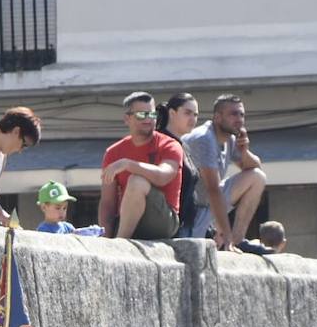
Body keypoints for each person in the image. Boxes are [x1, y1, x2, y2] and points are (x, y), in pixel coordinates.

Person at [181, 95, 266, 249]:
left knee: (257, 177)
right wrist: (226, 235)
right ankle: (228, 242)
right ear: (218, 117)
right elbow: (213, 190)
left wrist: (244, 151)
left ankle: (238, 241)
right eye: (233, 114)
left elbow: (255, 168)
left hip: (209, 204)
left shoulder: (230, 138)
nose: (239, 119)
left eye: (242, 115)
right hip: (192, 212)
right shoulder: (204, 139)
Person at [98, 92, 184, 241]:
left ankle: (121, 243)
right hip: (128, 220)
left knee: (137, 181)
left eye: (152, 114)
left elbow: (162, 177)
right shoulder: (113, 153)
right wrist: (105, 236)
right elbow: (107, 203)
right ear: (127, 118)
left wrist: (127, 164)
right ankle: (116, 244)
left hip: (162, 221)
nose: (148, 119)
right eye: (141, 114)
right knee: (133, 183)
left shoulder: (170, 145)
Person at [158, 92, 200, 237]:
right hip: (169, 226)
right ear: (172, 113)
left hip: (186, 225)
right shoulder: (161, 142)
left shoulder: (183, 145)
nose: (193, 119)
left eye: (195, 115)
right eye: (187, 113)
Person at [35, 180, 104, 235]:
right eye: (58, 208)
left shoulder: (68, 227)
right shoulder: (42, 230)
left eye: (64, 208)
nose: (62, 212)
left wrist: (87, 232)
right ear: (44, 207)